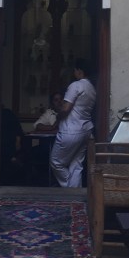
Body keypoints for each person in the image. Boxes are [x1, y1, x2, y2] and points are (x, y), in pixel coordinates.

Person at [50, 59, 96, 188]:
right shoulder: (92, 88)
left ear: (79, 71)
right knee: (76, 165)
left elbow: (65, 109)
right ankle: (75, 193)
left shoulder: (76, 85)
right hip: (86, 130)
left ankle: (70, 189)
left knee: (56, 162)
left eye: (74, 70)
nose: (74, 73)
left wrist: (58, 117)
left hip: (71, 131)